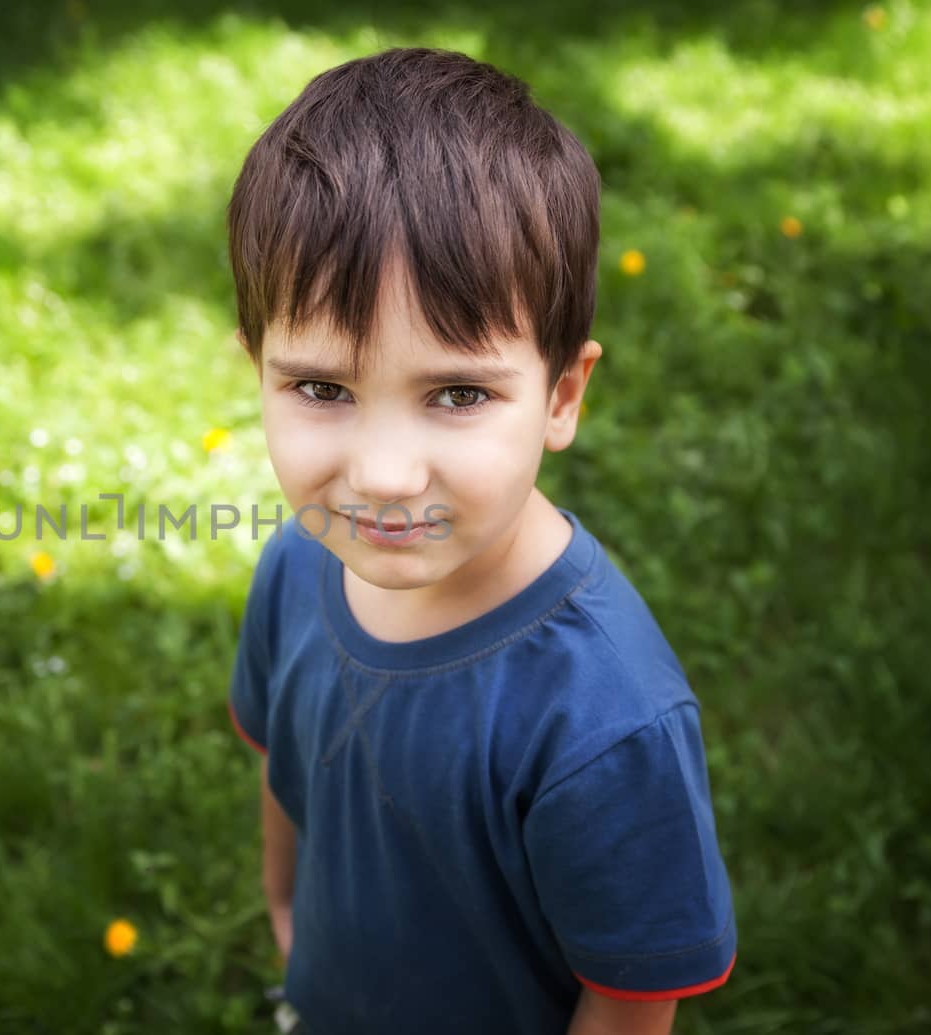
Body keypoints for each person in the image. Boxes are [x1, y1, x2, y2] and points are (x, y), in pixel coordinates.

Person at [224, 47, 737, 1034]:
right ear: (256, 370)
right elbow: (284, 767)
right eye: (321, 389)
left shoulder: (604, 717)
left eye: (456, 394)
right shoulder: (299, 562)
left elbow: (629, 997)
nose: (381, 474)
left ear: (561, 395)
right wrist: (286, 917)